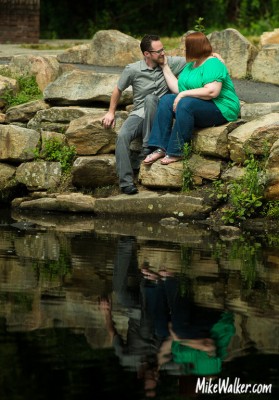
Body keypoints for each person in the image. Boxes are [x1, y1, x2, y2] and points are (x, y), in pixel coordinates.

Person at [102, 34, 187, 195]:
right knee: (122, 137)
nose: (163, 53)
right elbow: (118, 89)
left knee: (151, 99)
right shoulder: (133, 69)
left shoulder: (170, 62)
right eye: (158, 51)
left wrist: (213, 56)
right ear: (147, 54)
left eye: (163, 49)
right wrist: (111, 112)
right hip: (139, 114)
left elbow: (195, 59)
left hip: (160, 115)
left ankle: (147, 148)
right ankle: (126, 182)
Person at [143, 31, 240, 166]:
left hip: (221, 108)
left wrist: (183, 95)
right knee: (166, 100)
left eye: (187, 47)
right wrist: (164, 66)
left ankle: (177, 151)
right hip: (200, 105)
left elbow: (212, 91)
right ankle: (160, 147)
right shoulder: (191, 66)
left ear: (195, 47)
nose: (185, 49)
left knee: (186, 103)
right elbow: (178, 89)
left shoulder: (213, 63)